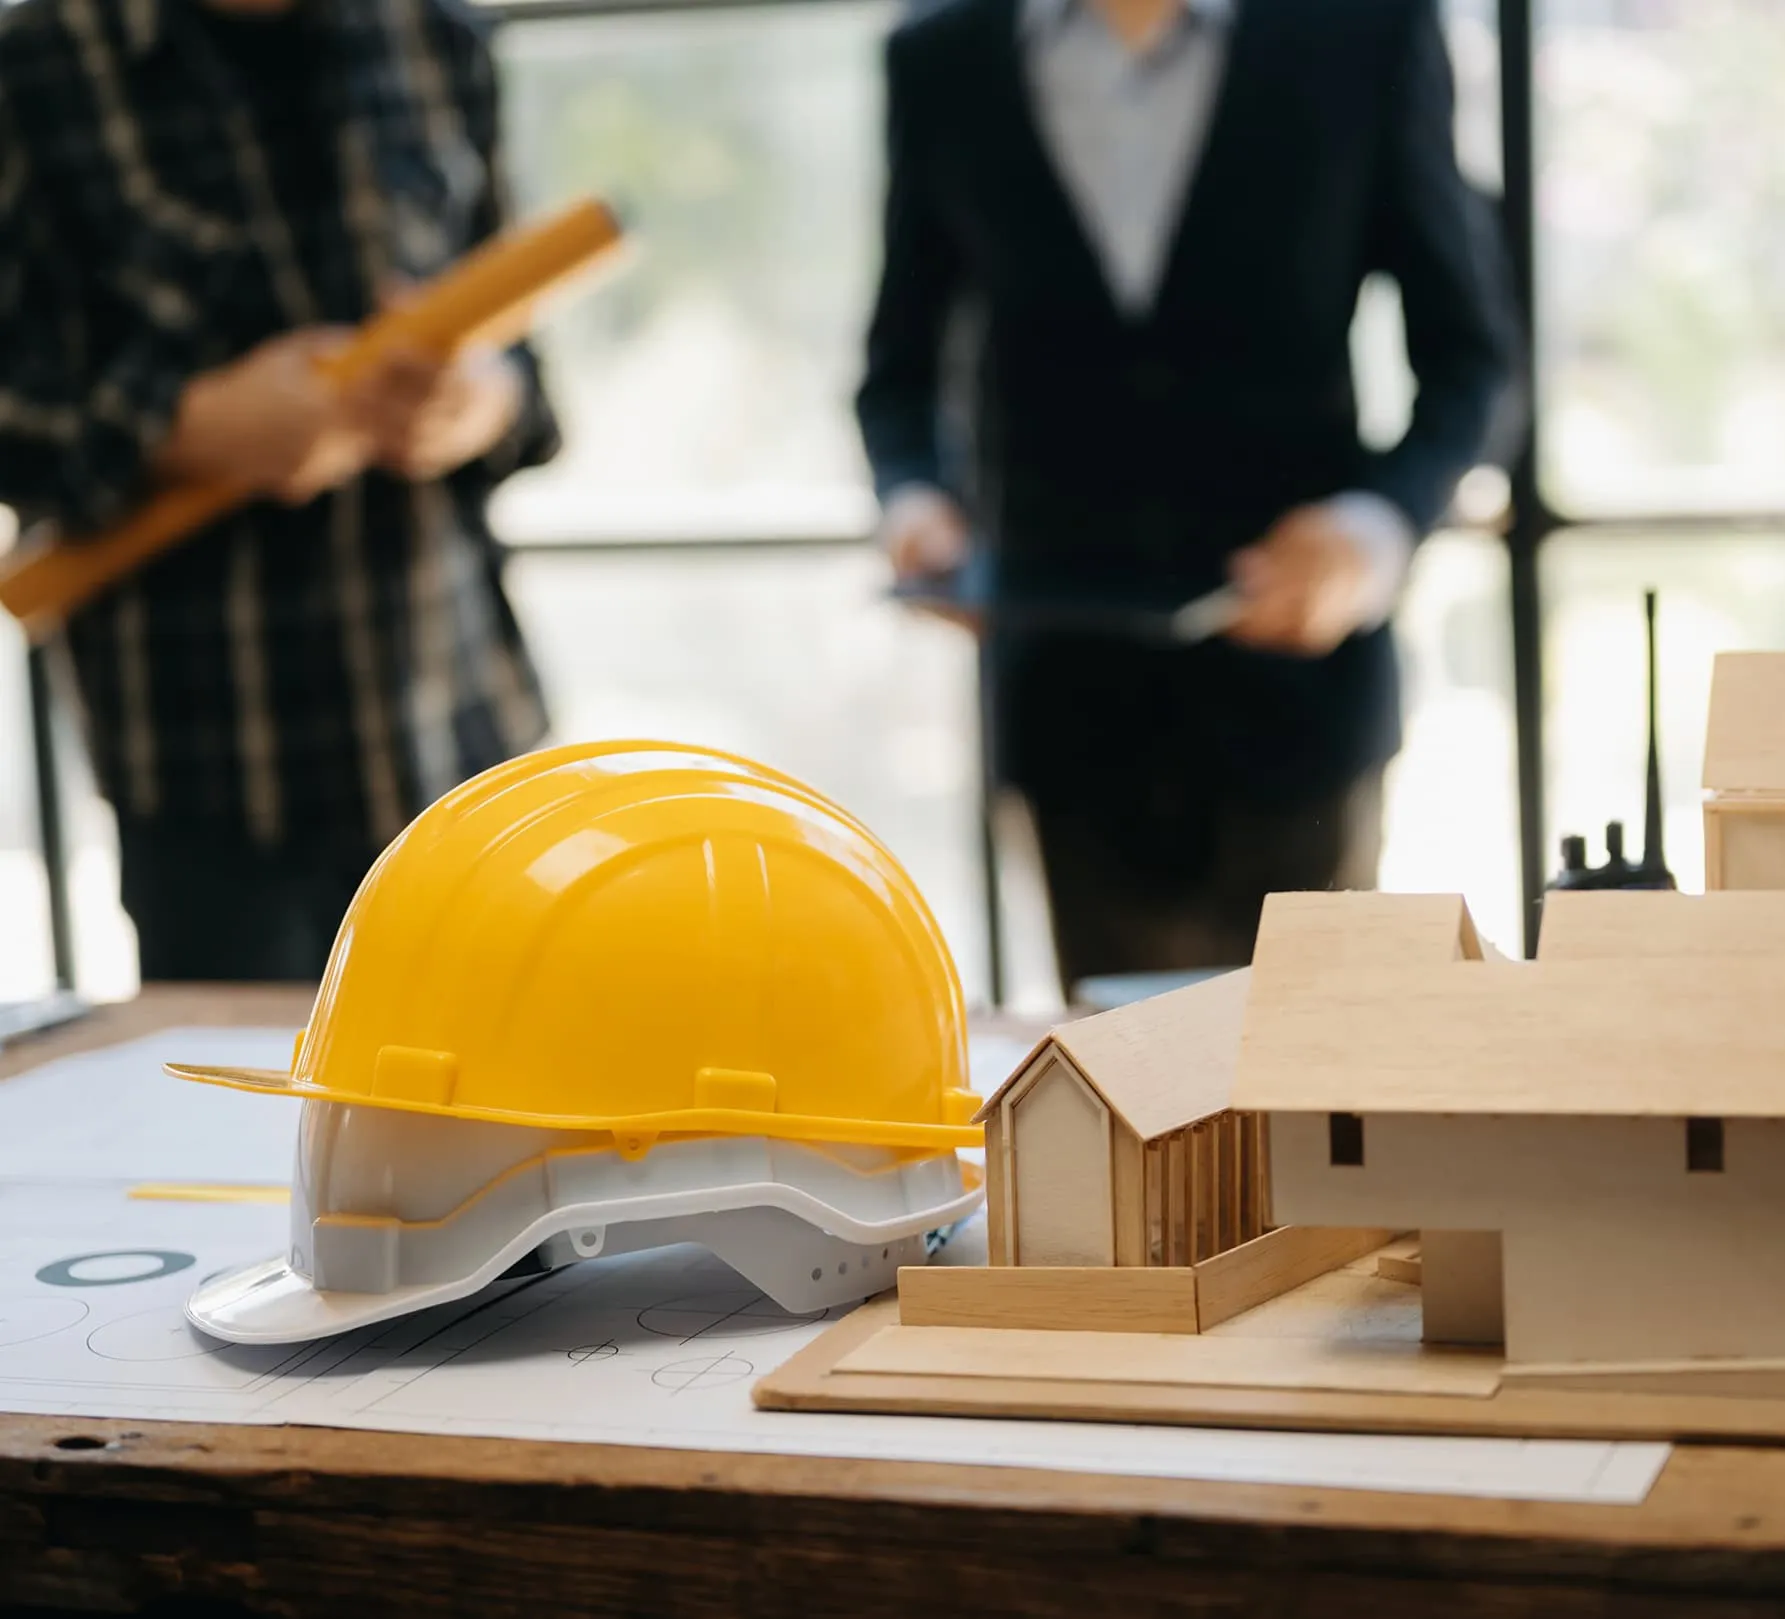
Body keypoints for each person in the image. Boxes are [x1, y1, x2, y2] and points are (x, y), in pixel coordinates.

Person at [858, 0, 1518, 988]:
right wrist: (917, 499)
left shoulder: (1368, 30)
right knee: (1111, 1065)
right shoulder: (940, 53)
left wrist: (1373, 527)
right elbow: (898, 373)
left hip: (1301, 694)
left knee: (1318, 1062)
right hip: (1064, 698)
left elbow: (1473, 363)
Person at [0, 0, 560, 981]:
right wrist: (186, 427)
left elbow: (530, 389)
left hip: (462, 735)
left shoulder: (436, 35)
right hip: (208, 772)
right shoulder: (37, 65)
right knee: (238, 1077)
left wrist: (476, 403)